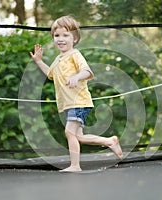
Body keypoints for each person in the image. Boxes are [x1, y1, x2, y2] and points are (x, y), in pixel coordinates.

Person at [30, 15, 122, 172]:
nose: (61, 39)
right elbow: (50, 75)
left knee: (69, 132)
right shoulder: (59, 58)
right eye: (57, 35)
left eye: (65, 35)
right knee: (78, 136)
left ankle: (75, 165)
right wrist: (39, 61)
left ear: (75, 39)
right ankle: (110, 142)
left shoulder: (75, 54)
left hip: (79, 101)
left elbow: (87, 71)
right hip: (69, 104)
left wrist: (76, 76)